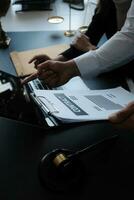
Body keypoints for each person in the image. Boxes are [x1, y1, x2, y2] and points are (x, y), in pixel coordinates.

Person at [22, 0, 134, 129]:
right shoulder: (106, 4)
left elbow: (127, 62)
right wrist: (57, 62)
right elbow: (86, 40)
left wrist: (90, 49)